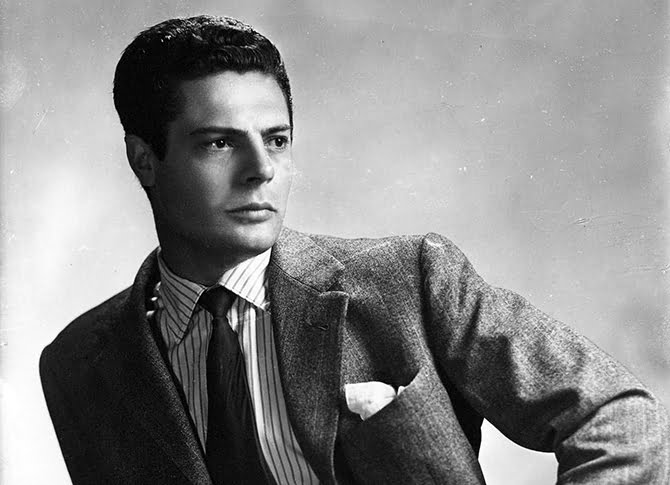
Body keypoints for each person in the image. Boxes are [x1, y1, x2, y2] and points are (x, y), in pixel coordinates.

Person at [39, 15, 669, 485]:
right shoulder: (80, 366)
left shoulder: (412, 280)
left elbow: (616, 416)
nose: (261, 170)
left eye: (277, 140)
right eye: (218, 143)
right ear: (144, 159)